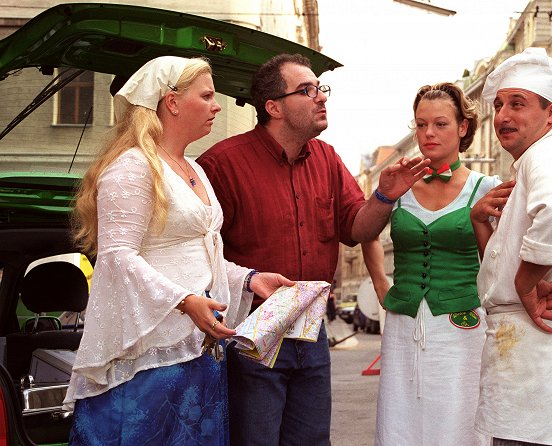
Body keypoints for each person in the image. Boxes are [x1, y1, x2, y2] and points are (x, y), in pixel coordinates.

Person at [197, 53, 429, 446]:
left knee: (312, 440)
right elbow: (198, 254)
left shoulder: (326, 158)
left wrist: (385, 196)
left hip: (310, 329)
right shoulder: (222, 165)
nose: (321, 97)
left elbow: (357, 229)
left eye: (320, 88)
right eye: (307, 90)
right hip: (252, 333)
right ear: (273, 107)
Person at [63, 56, 292, 446]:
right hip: (151, 357)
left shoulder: (193, 169)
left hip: (199, 350)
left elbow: (202, 256)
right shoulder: (132, 166)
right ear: (171, 102)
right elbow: (118, 257)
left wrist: (250, 279)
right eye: (206, 96)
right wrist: (184, 300)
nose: (217, 106)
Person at [470, 47, 552, 446]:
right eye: (499, 105)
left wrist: (527, 282)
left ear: (551, 113)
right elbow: (500, 267)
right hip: (527, 345)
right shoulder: (534, 161)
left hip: (542, 342)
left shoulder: (547, 156)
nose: (503, 116)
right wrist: (479, 221)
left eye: (518, 104)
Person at [361, 83, 501, 445]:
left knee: (458, 411)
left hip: (462, 323)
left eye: (440, 124)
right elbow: (364, 231)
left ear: (463, 127)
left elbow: (500, 260)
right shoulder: (400, 184)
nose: (428, 133)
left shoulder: (486, 187)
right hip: (403, 321)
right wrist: (380, 283)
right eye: (421, 125)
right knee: (400, 415)